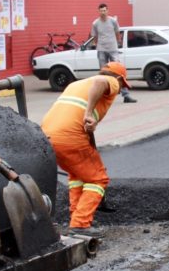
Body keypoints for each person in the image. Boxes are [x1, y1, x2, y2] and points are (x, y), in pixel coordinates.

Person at [40, 62, 132, 237]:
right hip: (69, 135)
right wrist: (89, 113)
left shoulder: (77, 84)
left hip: (48, 135)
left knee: (78, 175)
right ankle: (80, 225)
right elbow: (100, 83)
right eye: (122, 86)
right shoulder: (108, 80)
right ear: (119, 78)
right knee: (98, 179)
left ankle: (76, 217)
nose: (120, 91)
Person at [91, 3, 136, 102]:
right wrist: (96, 45)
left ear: (107, 11)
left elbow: (117, 33)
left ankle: (126, 95)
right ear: (98, 11)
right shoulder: (95, 23)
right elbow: (94, 36)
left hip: (113, 49)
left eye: (104, 10)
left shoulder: (113, 21)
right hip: (101, 50)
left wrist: (118, 43)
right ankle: (103, 96)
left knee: (118, 72)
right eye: (101, 11)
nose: (103, 12)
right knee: (103, 73)